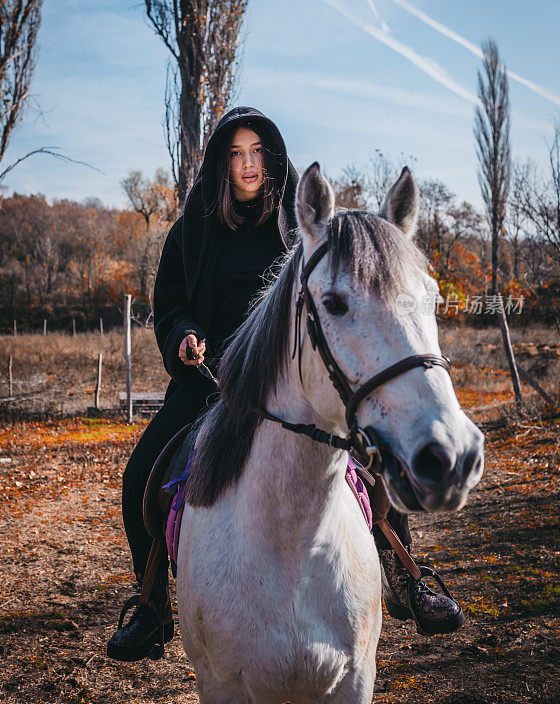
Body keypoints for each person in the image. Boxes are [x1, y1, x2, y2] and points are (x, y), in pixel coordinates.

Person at [107, 106, 463, 662]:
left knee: (372, 457)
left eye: (257, 153)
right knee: (141, 477)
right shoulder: (194, 227)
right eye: (235, 154)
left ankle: (405, 576)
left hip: (288, 377)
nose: (248, 165)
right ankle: (151, 606)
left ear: (273, 158)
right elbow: (170, 303)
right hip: (211, 378)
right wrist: (184, 334)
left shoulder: (300, 225)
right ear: (221, 163)